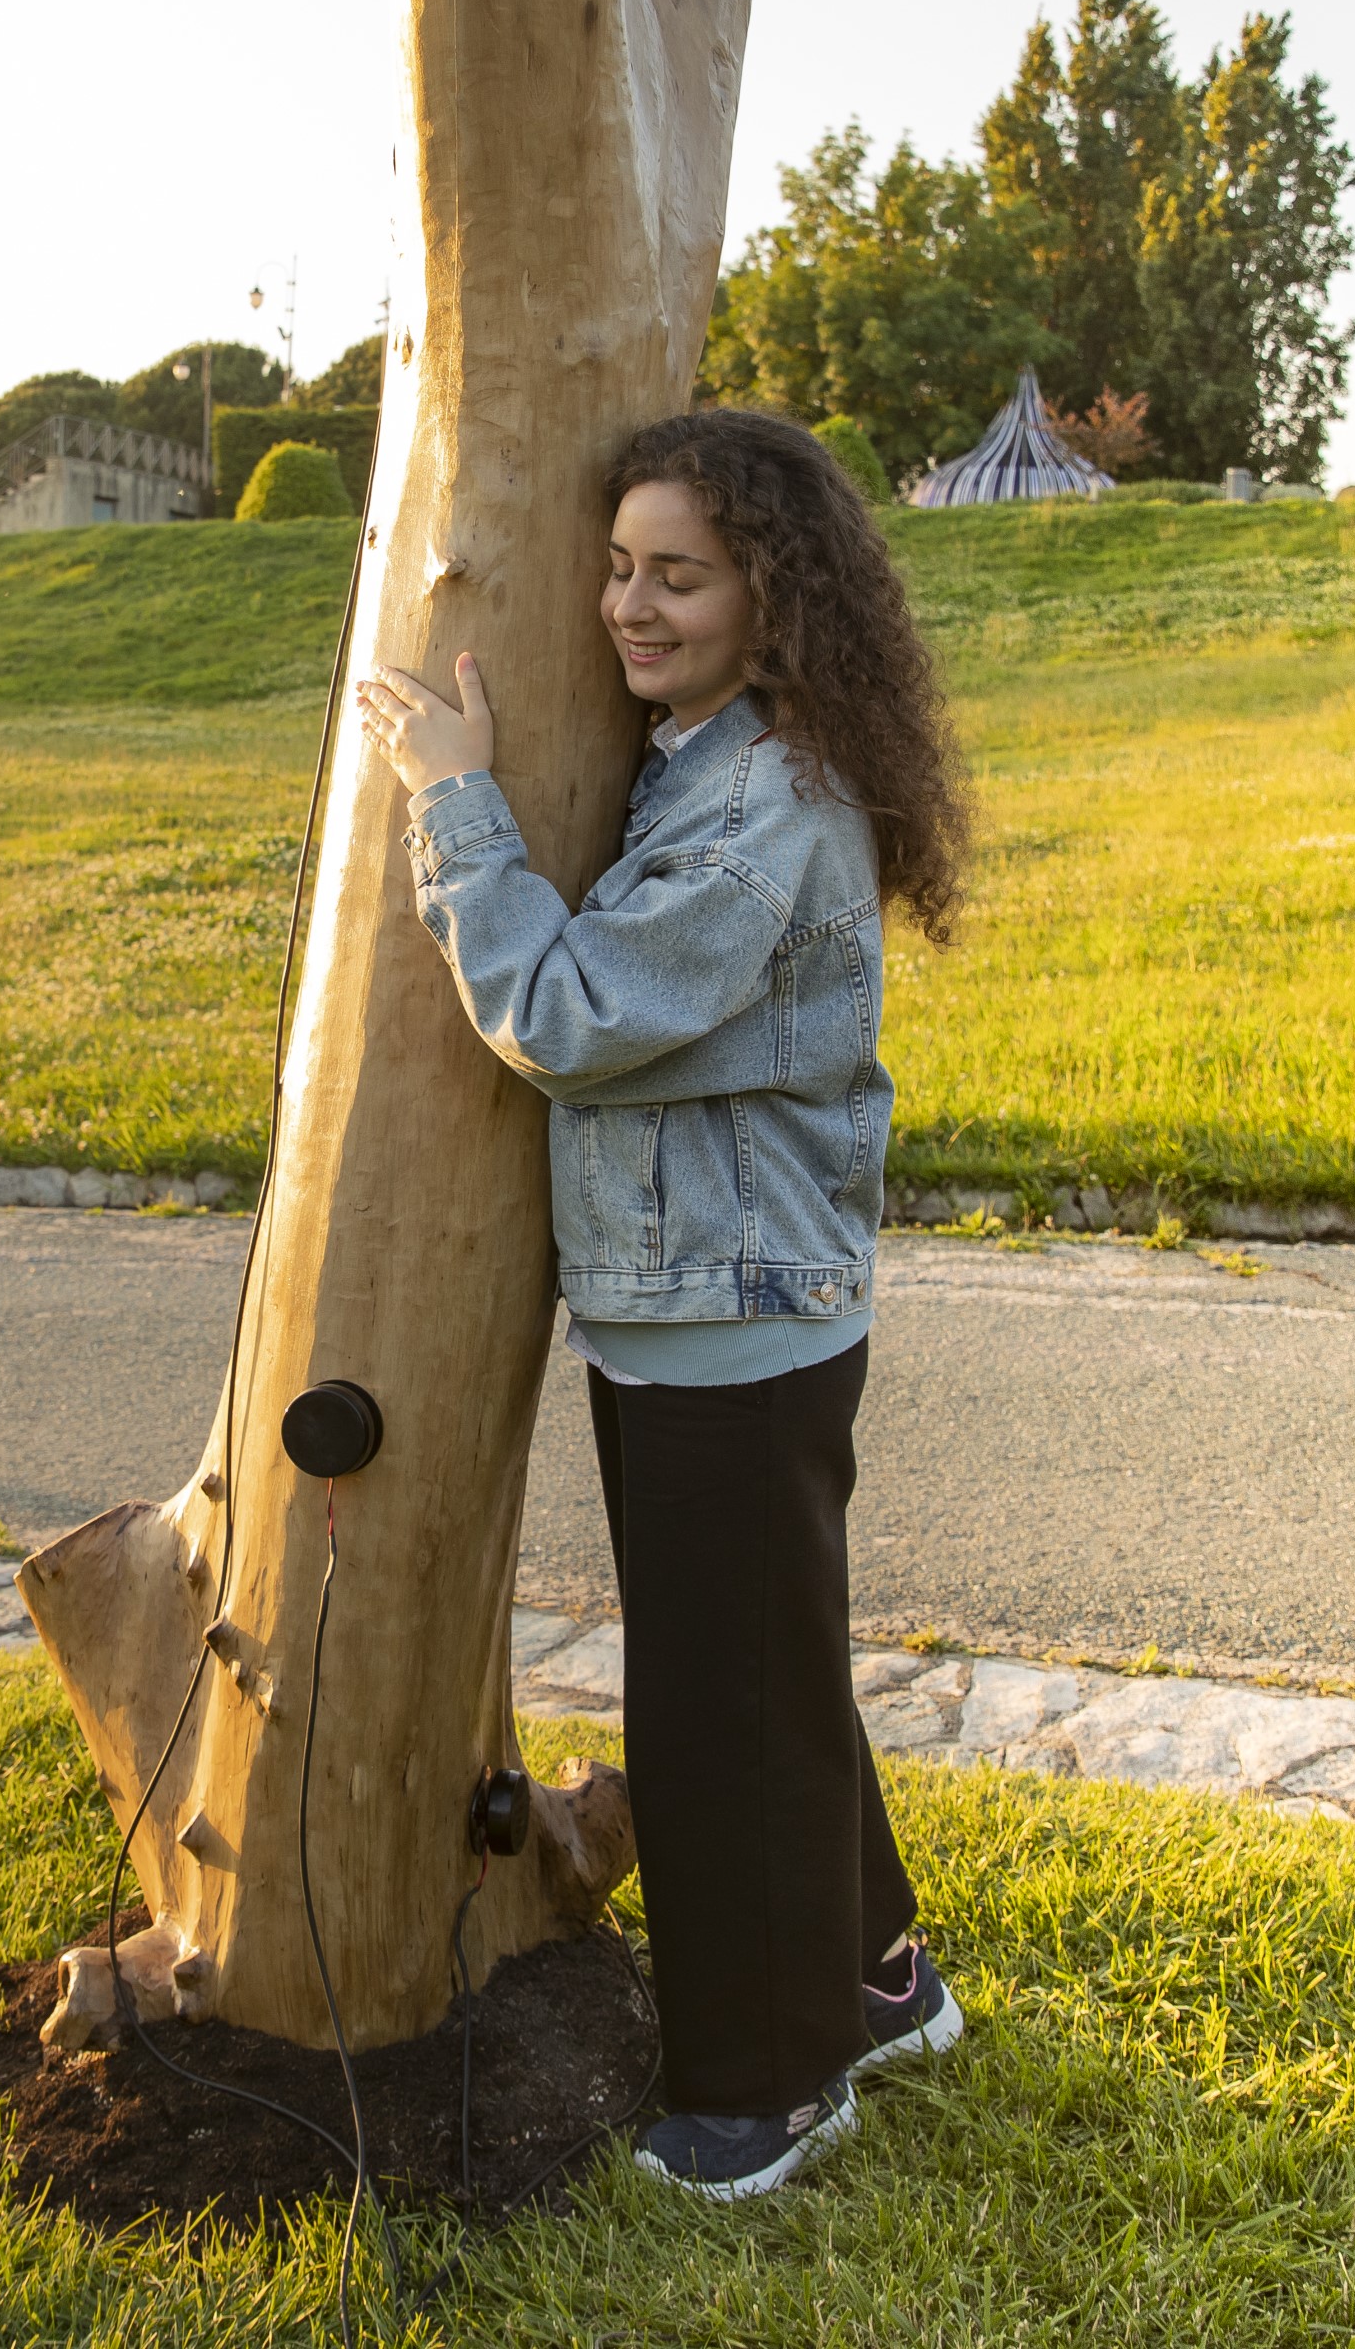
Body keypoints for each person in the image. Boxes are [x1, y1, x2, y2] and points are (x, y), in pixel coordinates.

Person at [357, 407, 970, 2200]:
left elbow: (559, 1011)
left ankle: (767, 2085)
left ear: (769, 595)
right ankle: (877, 1980)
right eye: (619, 568)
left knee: (716, 1709)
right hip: (713, 1304)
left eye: (679, 575)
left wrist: (454, 799)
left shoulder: (766, 803)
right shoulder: (708, 751)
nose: (633, 605)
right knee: (762, 1664)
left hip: (733, 1320)